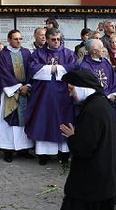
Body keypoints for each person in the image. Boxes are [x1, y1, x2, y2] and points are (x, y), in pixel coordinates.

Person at [49, 70, 116, 210]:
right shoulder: (102, 105)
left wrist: (72, 137)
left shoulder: (93, 110)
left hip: (89, 180)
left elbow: (85, 148)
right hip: (102, 177)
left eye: (71, 90)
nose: (70, 94)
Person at [24, 27, 78, 165]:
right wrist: (50, 69)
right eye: (53, 39)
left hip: (64, 96)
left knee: (63, 121)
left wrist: (57, 69)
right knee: (44, 121)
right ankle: (44, 154)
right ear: (46, 39)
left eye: (58, 39)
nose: (56, 42)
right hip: (43, 96)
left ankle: (63, 154)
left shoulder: (69, 53)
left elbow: (74, 68)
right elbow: (32, 68)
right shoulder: (38, 53)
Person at [0, 29, 34, 161]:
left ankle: (24, 149)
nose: (19, 41)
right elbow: (3, 73)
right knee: (9, 122)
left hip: (25, 92)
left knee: (24, 120)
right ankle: (8, 151)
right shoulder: (3, 55)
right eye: (16, 39)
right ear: (9, 40)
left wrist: (27, 85)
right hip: (11, 92)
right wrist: (17, 87)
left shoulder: (26, 53)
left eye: (20, 39)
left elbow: (31, 71)